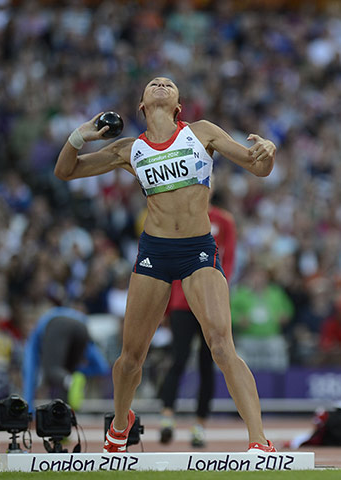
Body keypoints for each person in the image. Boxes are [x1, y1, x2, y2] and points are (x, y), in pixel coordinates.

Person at [54, 76, 277, 453]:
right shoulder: (129, 150)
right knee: (131, 359)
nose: (160, 83)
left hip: (198, 252)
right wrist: (81, 135)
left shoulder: (202, 133)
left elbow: (259, 168)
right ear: (141, 106)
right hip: (154, 254)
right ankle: (120, 426)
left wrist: (268, 152)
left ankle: (258, 440)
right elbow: (66, 171)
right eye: (153, 83)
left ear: (178, 106)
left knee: (222, 346)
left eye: (168, 84)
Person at [158, 196, 237, 448]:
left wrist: (219, 290)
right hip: (182, 301)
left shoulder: (224, 220)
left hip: (210, 301)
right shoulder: (179, 216)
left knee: (207, 362)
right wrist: (166, 305)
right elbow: (168, 258)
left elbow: (230, 259)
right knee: (178, 359)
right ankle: (167, 417)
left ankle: (200, 425)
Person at [22, 304, 110, 413]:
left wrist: (28, 410)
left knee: (51, 372)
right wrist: (80, 372)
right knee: (66, 373)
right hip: (83, 327)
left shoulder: (35, 335)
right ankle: (65, 414)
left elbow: (30, 372)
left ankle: (70, 381)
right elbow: (102, 367)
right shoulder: (70, 318)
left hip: (57, 324)